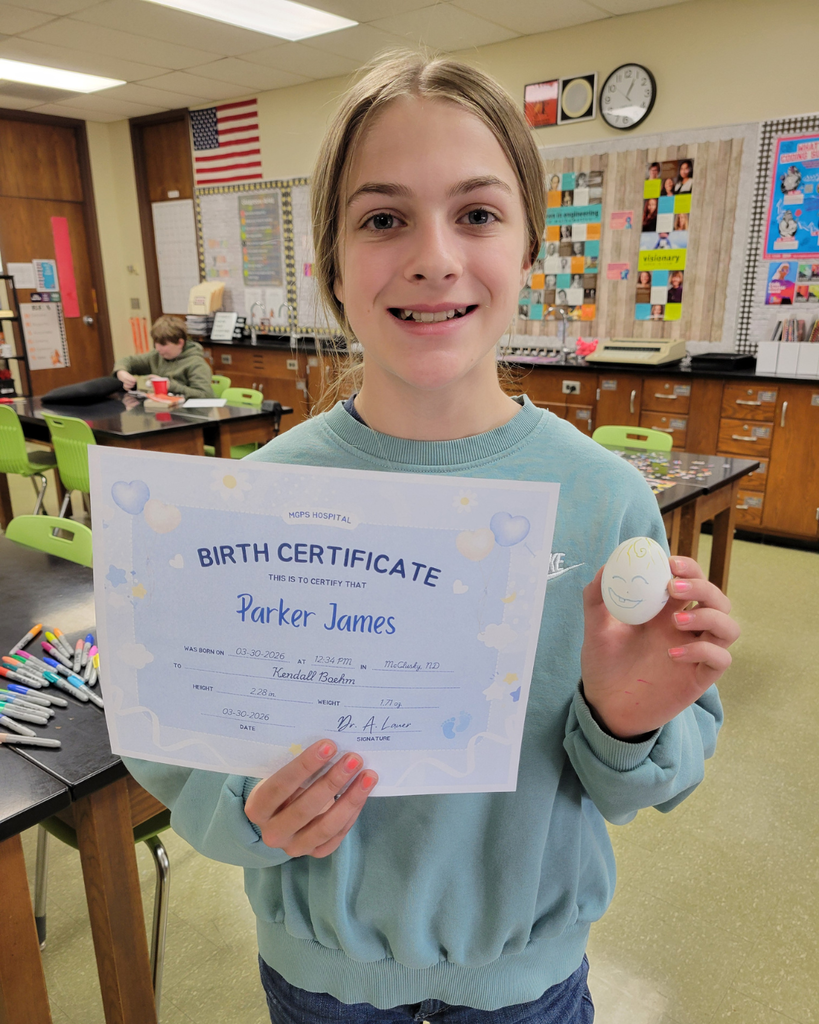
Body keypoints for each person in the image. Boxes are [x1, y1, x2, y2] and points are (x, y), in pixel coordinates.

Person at [123, 51, 737, 1024]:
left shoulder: (602, 499)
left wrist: (628, 719)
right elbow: (188, 752)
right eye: (382, 218)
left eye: (478, 214)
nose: (435, 255)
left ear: (530, 248)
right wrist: (244, 807)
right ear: (331, 263)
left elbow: (634, 783)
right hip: (325, 984)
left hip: (525, 988)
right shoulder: (260, 499)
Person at [112, 315, 214, 399]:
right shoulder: (156, 357)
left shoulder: (196, 363)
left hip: (190, 417)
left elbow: (205, 395)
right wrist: (121, 372)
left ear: (180, 343)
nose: (158, 349)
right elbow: (127, 361)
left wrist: (170, 386)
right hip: (164, 412)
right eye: (156, 343)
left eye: (163, 345)